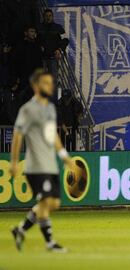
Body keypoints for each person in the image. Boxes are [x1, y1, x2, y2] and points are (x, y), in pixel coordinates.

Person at [10, 70, 76, 252]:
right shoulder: (28, 109)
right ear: (36, 86)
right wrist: (14, 161)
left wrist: (64, 156)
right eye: (46, 83)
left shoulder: (49, 108)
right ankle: (50, 243)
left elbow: (51, 134)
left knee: (54, 203)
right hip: (36, 165)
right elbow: (17, 135)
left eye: (51, 83)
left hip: (50, 164)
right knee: (47, 201)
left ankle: (20, 229)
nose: (50, 86)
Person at [11, 25, 43, 92]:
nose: (33, 33)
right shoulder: (20, 45)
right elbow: (15, 61)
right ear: (26, 33)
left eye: (34, 32)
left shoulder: (37, 45)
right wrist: (16, 77)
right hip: (23, 75)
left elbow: (39, 61)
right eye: (31, 31)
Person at [38, 9, 67, 80]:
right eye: (46, 16)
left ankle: (53, 91)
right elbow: (36, 40)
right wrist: (38, 47)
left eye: (50, 16)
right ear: (43, 17)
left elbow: (65, 40)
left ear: (53, 17)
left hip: (53, 58)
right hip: (41, 58)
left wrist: (59, 50)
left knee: (53, 79)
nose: (48, 17)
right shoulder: (39, 28)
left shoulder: (58, 28)